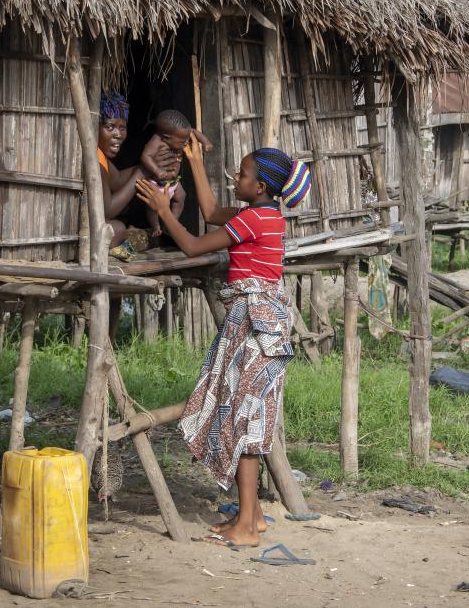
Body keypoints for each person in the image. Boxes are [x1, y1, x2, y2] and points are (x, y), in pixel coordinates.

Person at [135, 144, 311, 548]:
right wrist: (196, 163)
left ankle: (247, 528)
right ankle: (254, 517)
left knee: (245, 423)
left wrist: (163, 211)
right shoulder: (263, 216)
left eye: (243, 174)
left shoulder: (254, 221)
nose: (236, 177)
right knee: (244, 418)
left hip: (256, 329)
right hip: (256, 326)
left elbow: (195, 245)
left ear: (261, 185)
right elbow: (213, 212)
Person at [95, 92, 175, 256]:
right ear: (94, 127)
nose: (118, 134)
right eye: (110, 127)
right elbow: (107, 210)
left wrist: (149, 165)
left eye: (122, 127)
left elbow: (117, 180)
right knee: (117, 228)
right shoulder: (94, 158)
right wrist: (142, 172)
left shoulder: (101, 156)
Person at [138, 109, 211, 237]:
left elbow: (193, 131)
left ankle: (172, 222)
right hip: (157, 183)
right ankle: (156, 226)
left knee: (181, 197)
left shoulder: (179, 135)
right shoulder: (156, 142)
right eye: (182, 142)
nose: (185, 143)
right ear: (166, 137)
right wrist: (157, 170)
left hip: (173, 182)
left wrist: (205, 142)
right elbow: (145, 156)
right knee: (151, 207)